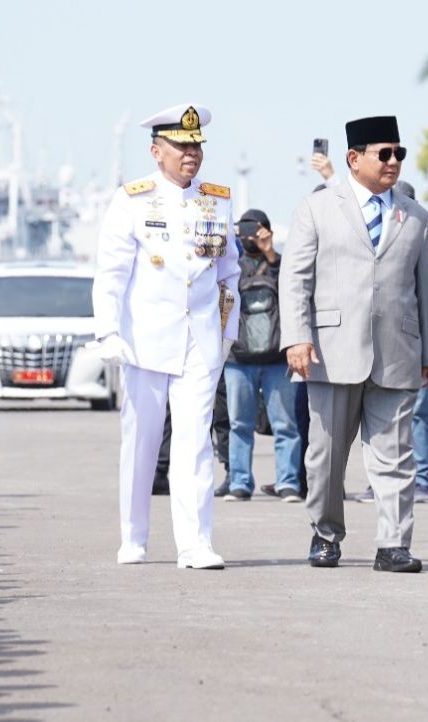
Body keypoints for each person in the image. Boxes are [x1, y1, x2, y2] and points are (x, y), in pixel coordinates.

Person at [279, 115, 428, 573]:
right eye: (384, 153)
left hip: (397, 351)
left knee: (395, 455)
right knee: (326, 458)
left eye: (399, 154)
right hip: (331, 352)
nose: (394, 162)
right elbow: (294, 278)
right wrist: (296, 338)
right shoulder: (316, 207)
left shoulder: (414, 215)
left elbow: (426, 288)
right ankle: (325, 533)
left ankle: (393, 544)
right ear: (354, 158)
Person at [92, 104, 241, 570]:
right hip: (146, 338)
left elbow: (228, 271)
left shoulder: (217, 199)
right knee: (141, 441)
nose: (191, 154)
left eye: (196, 146)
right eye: (181, 146)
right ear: (157, 151)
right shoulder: (132, 200)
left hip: (200, 337)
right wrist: (108, 331)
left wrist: (227, 331)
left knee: (194, 440)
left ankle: (195, 543)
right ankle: (133, 536)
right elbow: (111, 273)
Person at [224, 208, 302, 502]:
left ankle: (288, 482)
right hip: (238, 358)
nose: (249, 236)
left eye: (255, 230)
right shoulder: (232, 263)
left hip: (275, 358)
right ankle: (240, 482)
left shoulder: (281, 264)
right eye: (243, 230)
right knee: (239, 424)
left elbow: (294, 292)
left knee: (285, 424)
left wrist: (271, 254)